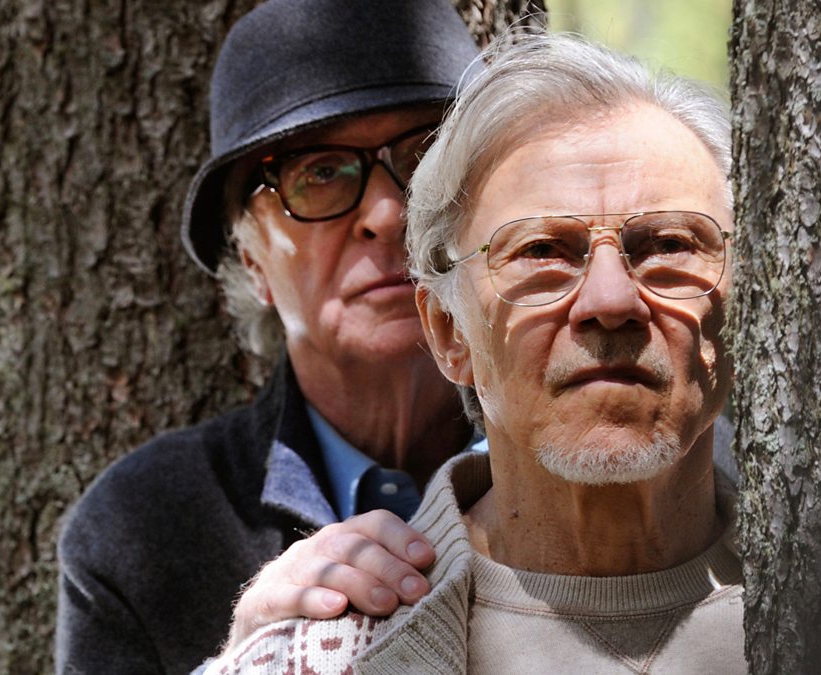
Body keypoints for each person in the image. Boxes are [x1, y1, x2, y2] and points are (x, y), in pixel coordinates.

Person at [206, 32, 746, 674]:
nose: (610, 299)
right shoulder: (312, 659)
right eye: (542, 252)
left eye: (669, 245)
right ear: (448, 333)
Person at [54, 2, 481, 673]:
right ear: (251, 258)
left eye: (428, 155)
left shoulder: (616, 461)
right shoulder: (140, 531)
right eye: (319, 173)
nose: (389, 211)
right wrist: (243, 661)